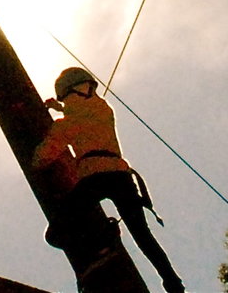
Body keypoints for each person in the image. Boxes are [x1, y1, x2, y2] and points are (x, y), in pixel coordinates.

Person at [35, 66, 186, 293]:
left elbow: (42, 158)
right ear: (87, 88)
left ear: (67, 93)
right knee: (143, 236)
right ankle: (173, 283)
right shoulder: (105, 109)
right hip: (121, 177)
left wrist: (38, 155)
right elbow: (84, 111)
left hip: (94, 179)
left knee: (55, 234)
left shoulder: (66, 125)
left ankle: (100, 246)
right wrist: (60, 107)